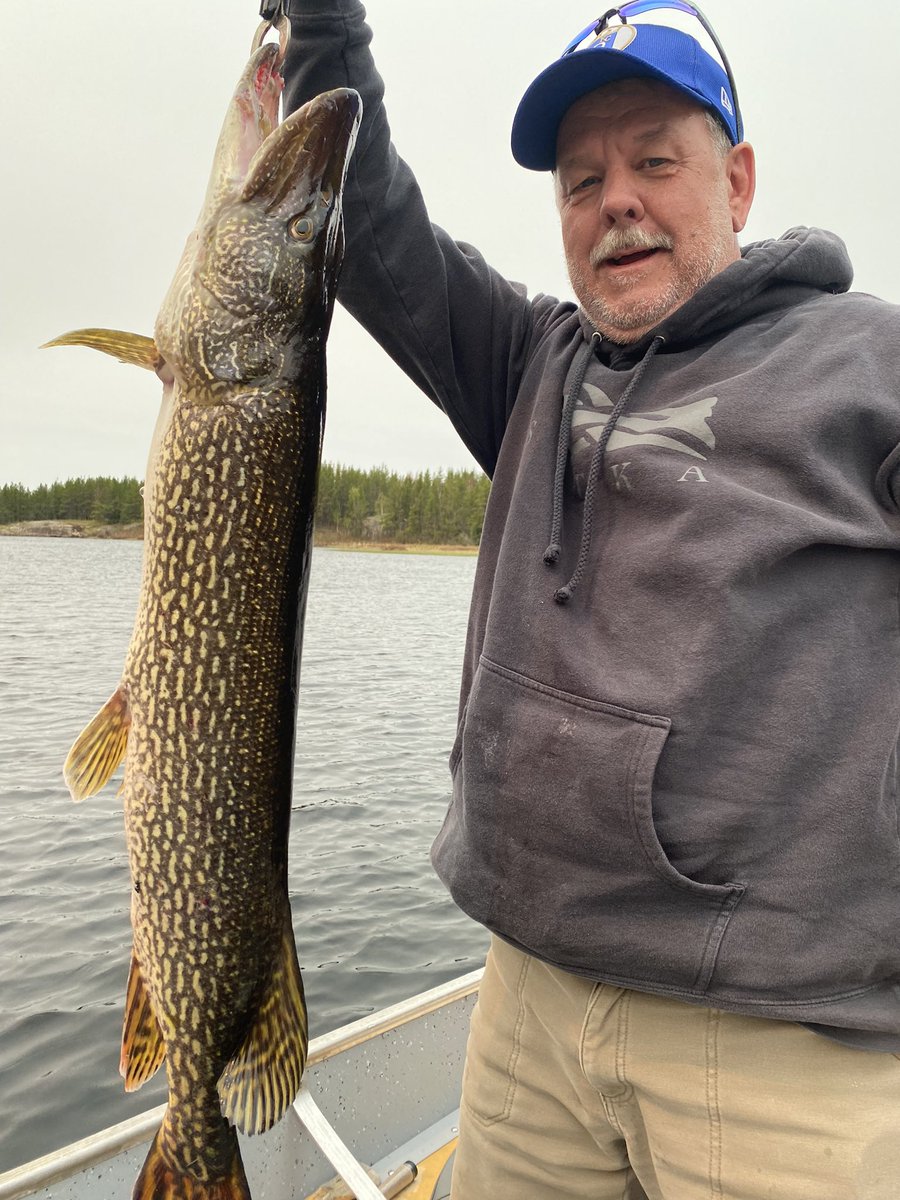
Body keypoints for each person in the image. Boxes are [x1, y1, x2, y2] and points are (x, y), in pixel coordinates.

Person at [280, 3, 900, 1196]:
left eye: (655, 162)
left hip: (787, 1042)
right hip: (529, 999)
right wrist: (320, 31)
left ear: (740, 178)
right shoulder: (530, 367)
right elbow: (372, 225)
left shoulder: (868, 363)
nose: (615, 199)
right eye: (581, 179)